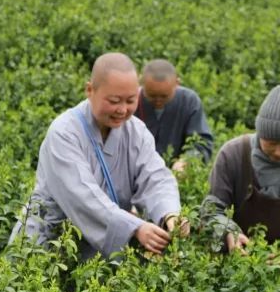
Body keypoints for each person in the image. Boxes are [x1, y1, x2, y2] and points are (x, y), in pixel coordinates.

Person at [21, 53, 186, 259]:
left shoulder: (136, 131)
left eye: (131, 100)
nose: (122, 110)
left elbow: (155, 177)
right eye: (114, 101)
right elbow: (83, 197)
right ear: (90, 90)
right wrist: (135, 228)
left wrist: (169, 214)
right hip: (47, 247)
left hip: (99, 256)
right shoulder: (64, 133)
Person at [201, 84, 280, 263]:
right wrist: (227, 232)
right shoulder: (233, 154)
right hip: (234, 258)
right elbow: (212, 208)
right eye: (271, 143)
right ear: (260, 132)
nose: (279, 152)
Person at [135, 59, 213, 173]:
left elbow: (202, 142)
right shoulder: (131, 101)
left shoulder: (189, 101)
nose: (158, 101)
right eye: (152, 95)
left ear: (177, 83)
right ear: (141, 83)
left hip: (176, 177)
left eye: (164, 96)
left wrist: (186, 161)